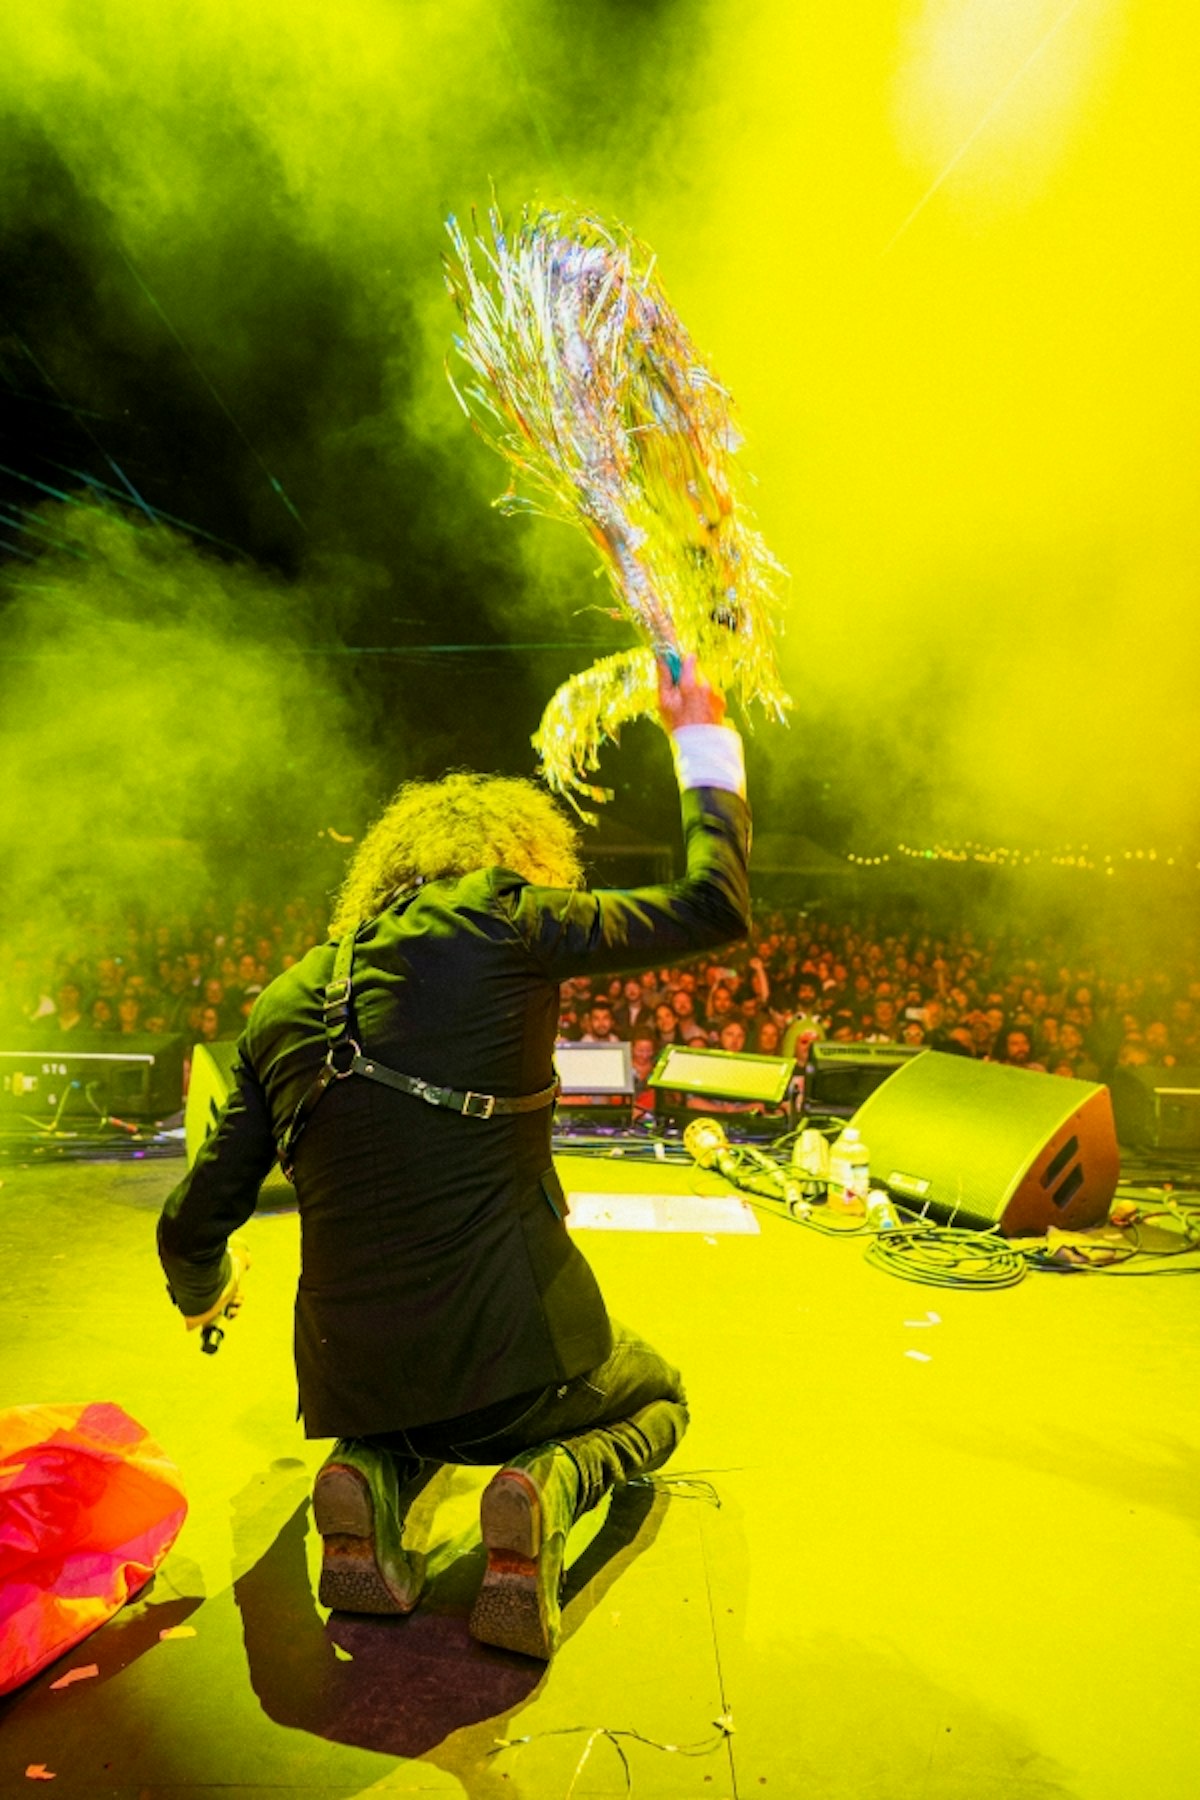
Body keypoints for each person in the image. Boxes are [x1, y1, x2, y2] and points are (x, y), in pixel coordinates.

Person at [157, 656, 750, 1661]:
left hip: (356, 1377)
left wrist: (207, 1290)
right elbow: (714, 906)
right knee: (657, 1393)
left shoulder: (284, 996)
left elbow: (190, 1221)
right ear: (522, 855)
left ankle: (373, 1476)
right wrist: (702, 740)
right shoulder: (503, 915)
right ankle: (547, 1484)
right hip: (522, 1367)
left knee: (406, 1414)